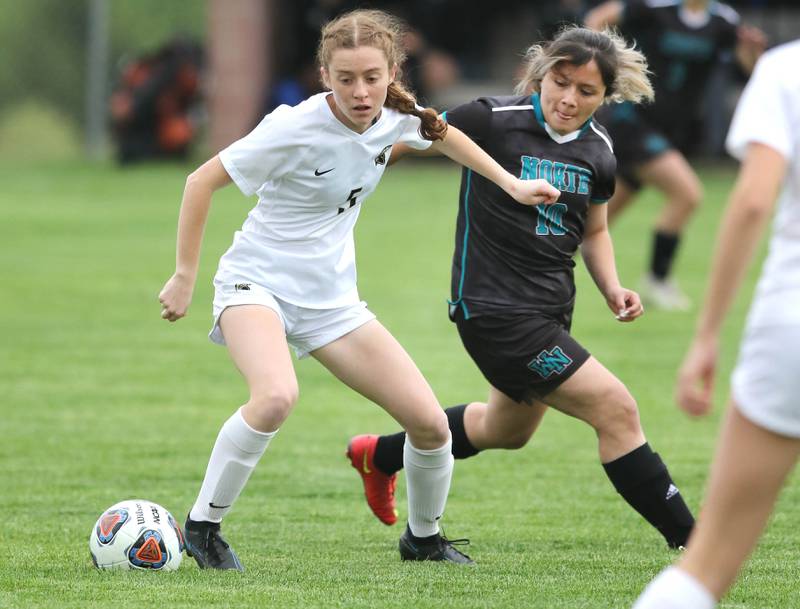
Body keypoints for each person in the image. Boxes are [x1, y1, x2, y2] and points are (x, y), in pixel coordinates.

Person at [157, 9, 559, 571]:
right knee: (275, 397)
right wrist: (184, 275)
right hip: (256, 283)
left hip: (332, 302)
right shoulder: (292, 127)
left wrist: (513, 184)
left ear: (392, 70)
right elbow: (200, 181)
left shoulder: (397, 114)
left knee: (429, 424)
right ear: (325, 76)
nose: (360, 91)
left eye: (372, 77)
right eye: (345, 79)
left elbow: (445, 136)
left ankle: (424, 540)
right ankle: (202, 528)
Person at [347, 26, 697, 551]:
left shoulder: (600, 149)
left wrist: (613, 287)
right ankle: (693, 543)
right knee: (616, 409)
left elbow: (595, 230)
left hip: (551, 311)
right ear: (541, 75)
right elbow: (400, 143)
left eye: (587, 91)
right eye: (561, 82)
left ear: (606, 96)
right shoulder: (492, 119)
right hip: (493, 310)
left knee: (506, 430)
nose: (569, 99)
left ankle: (380, 454)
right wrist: (342, 166)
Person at [632, 39, 800, 609]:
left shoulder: (784, 69)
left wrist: (706, 336)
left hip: (791, 326)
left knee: (705, 568)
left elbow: (754, 200)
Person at [585, 0, 765, 310]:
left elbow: (751, 70)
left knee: (594, 223)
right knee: (687, 194)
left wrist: (752, 51)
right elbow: (598, 18)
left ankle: (538, 263)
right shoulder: (654, 7)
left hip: (670, 130)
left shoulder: (723, 21)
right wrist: (596, 70)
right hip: (632, 120)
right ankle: (657, 280)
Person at [109, 37, 204, 164]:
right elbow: (131, 110)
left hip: (156, 135)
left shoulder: (182, 86)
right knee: (178, 131)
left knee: (181, 130)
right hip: (141, 135)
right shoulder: (158, 77)